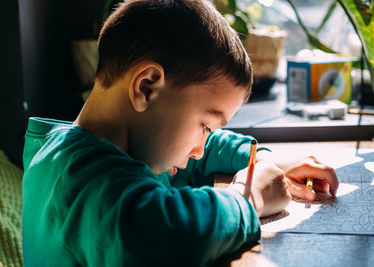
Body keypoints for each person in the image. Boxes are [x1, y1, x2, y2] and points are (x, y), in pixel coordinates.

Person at [22, 0, 339, 266]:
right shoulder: (83, 181)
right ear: (147, 87)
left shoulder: (110, 147)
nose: (200, 148)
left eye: (209, 130)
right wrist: (249, 196)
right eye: (204, 125)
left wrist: (266, 162)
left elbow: (210, 149)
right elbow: (168, 236)